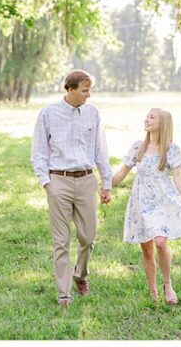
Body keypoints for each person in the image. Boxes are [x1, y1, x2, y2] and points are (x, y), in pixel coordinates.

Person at [31, 69, 112, 307]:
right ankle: (63, 293)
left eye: (90, 91)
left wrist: (106, 183)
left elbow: (100, 150)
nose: (88, 95)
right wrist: (47, 183)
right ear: (70, 88)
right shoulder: (48, 114)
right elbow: (38, 153)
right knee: (61, 241)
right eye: (84, 91)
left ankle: (80, 275)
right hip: (59, 181)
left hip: (86, 181)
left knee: (88, 237)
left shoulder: (93, 112)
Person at [111, 107, 181, 305]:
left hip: (162, 199)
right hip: (141, 200)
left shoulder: (171, 149)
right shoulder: (137, 147)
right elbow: (122, 173)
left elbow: (178, 176)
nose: (147, 119)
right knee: (147, 248)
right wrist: (105, 185)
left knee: (160, 242)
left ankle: (168, 284)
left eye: (152, 117)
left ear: (162, 123)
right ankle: (152, 290)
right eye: (147, 116)